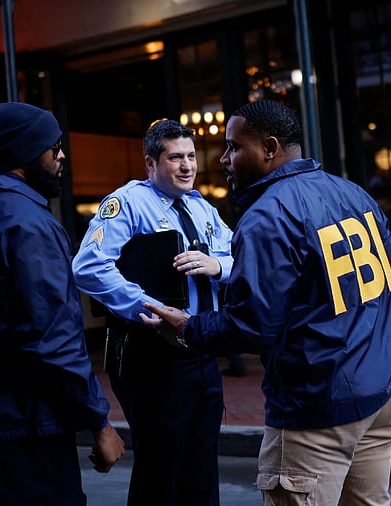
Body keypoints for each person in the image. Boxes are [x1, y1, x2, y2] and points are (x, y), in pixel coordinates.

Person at [141, 100, 391, 505]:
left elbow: (252, 325)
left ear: (268, 148)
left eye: (233, 147)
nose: (224, 159)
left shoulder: (268, 215)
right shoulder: (353, 193)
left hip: (318, 406)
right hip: (382, 390)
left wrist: (186, 327)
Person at [0, 102, 125, 506]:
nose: (61, 155)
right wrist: (99, 422)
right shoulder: (28, 224)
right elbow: (52, 339)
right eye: (54, 148)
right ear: (26, 153)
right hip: (24, 431)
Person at [72, 119, 234, 505]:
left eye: (191, 156)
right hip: (153, 356)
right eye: (175, 157)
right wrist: (148, 305)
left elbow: (238, 254)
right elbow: (88, 266)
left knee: (201, 467)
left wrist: (218, 265)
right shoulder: (127, 202)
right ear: (150, 163)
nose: (187, 166)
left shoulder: (202, 207)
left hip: (201, 348)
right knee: (162, 470)